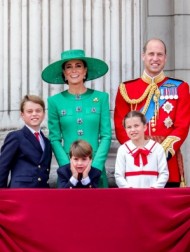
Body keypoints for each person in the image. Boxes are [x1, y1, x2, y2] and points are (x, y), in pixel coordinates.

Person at [114, 38, 190, 187]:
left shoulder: (180, 87)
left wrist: (159, 153)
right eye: (151, 54)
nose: (155, 59)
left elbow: (182, 126)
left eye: (160, 54)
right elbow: (120, 126)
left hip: (168, 162)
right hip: (135, 163)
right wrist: (136, 151)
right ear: (143, 56)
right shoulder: (126, 88)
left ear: (165, 58)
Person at [41, 49, 111, 188]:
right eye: (69, 67)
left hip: (95, 168)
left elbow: (106, 135)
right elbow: (55, 138)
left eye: (78, 65)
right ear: (64, 74)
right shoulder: (55, 101)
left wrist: (96, 166)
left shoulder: (101, 98)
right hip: (68, 171)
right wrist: (67, 166)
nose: (74, 70)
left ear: (85, 71)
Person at [0, 95, 52, 188]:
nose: (34, 114)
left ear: (44, 114)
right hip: (20, 191)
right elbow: (2, 167)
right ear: (22, 115)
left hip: (42, 192)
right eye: (29, 111)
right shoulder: (16, 137)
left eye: (38, 111)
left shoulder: (47, 142)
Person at [114, 111, 169, 188]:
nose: (133, 130)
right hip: (131, 195)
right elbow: (118, 175)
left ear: (144, 127)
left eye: (136, 126)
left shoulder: (157, 148)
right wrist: (129, 189)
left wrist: (154, 189)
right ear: (125, 129)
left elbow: (164, 173)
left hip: (153, 195)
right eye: (129, 127)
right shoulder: (123, 150)